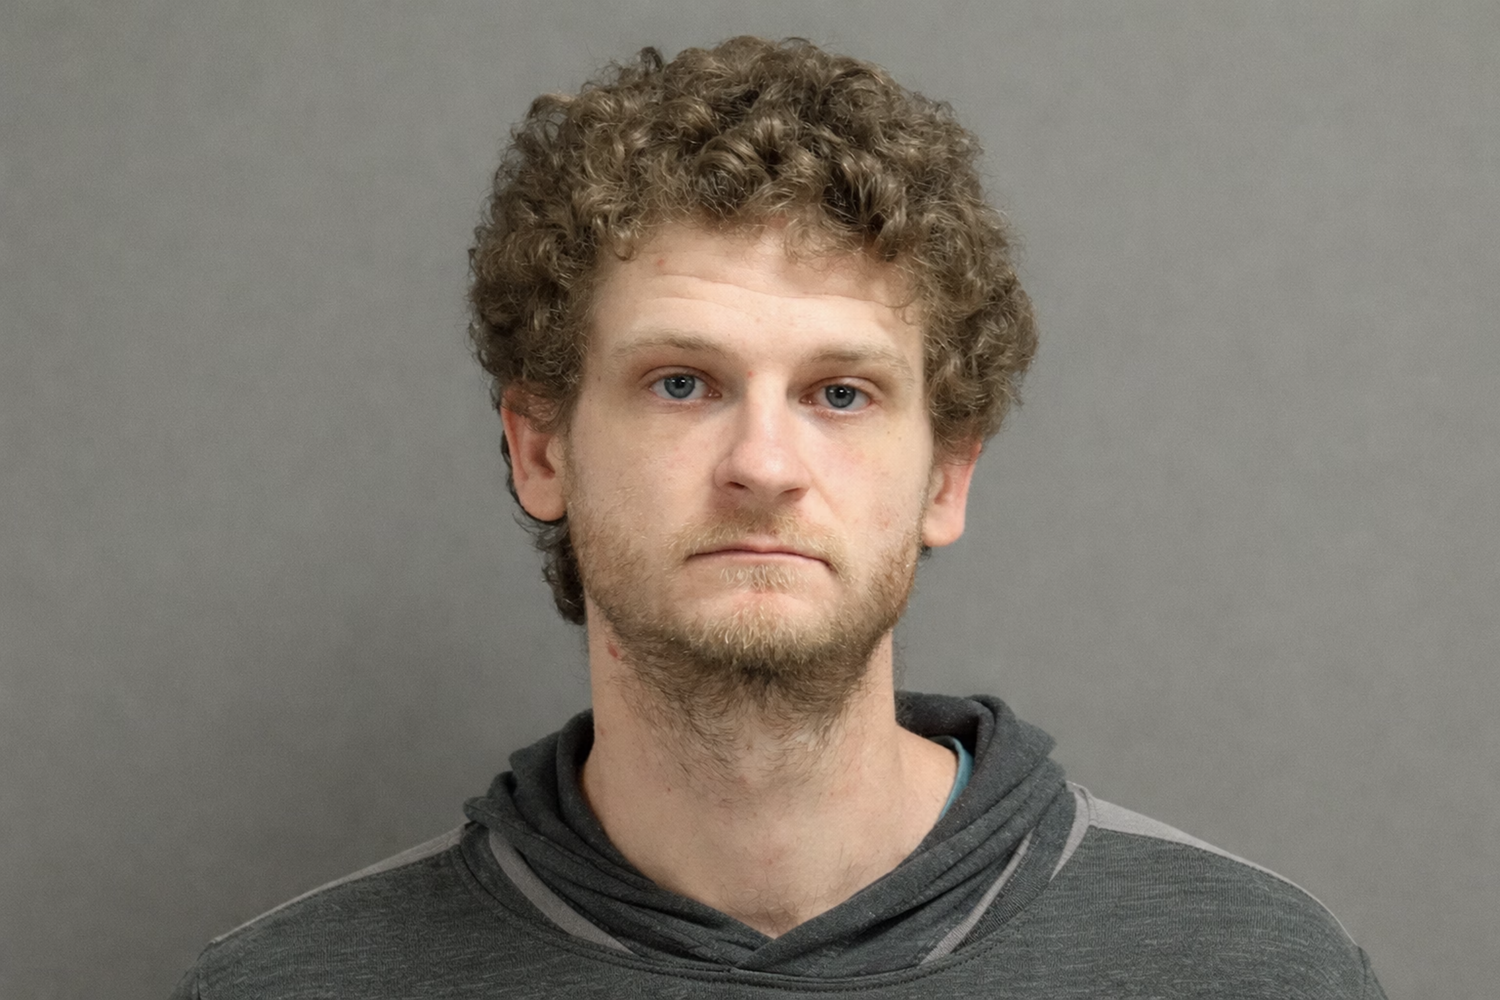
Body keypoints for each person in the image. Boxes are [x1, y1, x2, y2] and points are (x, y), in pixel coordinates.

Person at [172, 36, 1385, 998]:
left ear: (947, 478)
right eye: (681, 383)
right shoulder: (287, 986)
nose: (763, 463)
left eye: (840, 393)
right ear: (541, 448)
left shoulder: (1250, 971)